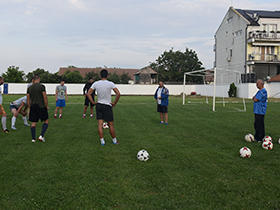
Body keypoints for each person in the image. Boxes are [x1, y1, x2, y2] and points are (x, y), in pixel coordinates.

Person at [87, 69, 121, 145]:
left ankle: (102, 141)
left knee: (100, 124)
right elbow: (118, 94)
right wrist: (114, 103)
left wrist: (93, 102)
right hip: (107, 105)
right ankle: (114, 140)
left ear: (100, 76)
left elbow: (88, 94)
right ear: (107, 76)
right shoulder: (110, 83)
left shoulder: (96, 83)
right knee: (110, 124)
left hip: (99, 105)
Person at [27, 74, 49, 142]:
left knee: (33, 123)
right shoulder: (42, 86)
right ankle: (41, 135)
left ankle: (33, 138)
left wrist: (29, 106)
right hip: (41, 106)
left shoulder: (29, 88)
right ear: (39, 79)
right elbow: (44, 97)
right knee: (46, 120)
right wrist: (46, 105)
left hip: (33, 106)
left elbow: (28, 98)